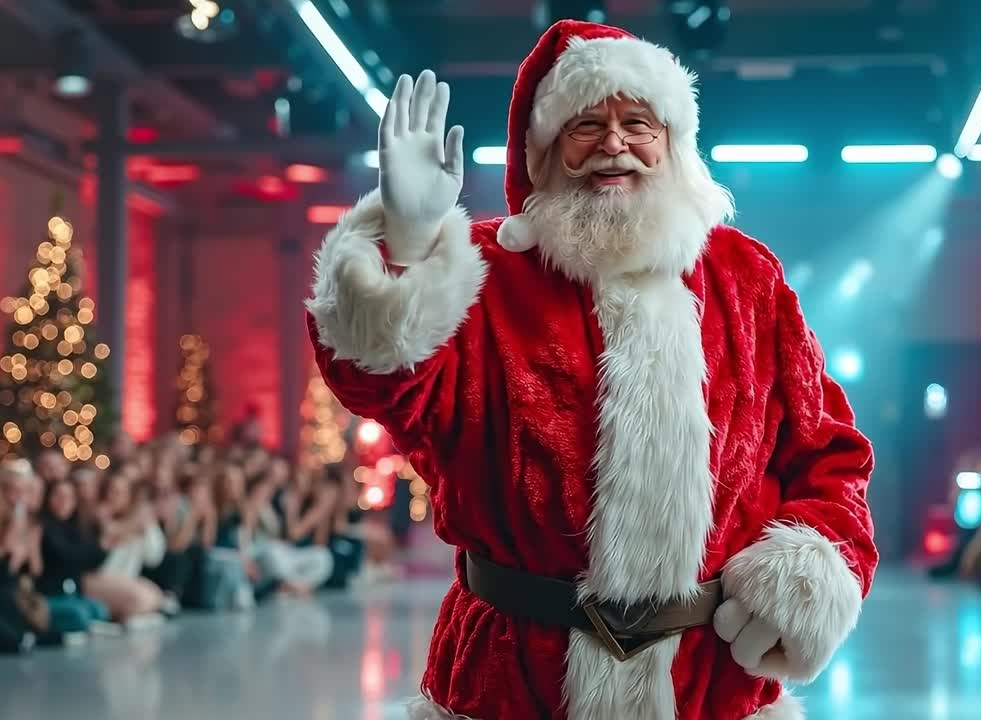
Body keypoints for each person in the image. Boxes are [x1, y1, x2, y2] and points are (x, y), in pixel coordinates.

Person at [306, 19, 877, 720]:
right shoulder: (485, 273)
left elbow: (828, 453)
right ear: (544, 153)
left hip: (707, 686)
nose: (614, 143)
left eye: (638, 121)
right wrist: (408, 243)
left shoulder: (745, 277)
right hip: (514, 680)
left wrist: (812, 565)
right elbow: (381, 384)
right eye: (585, 124)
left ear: (672, 143)